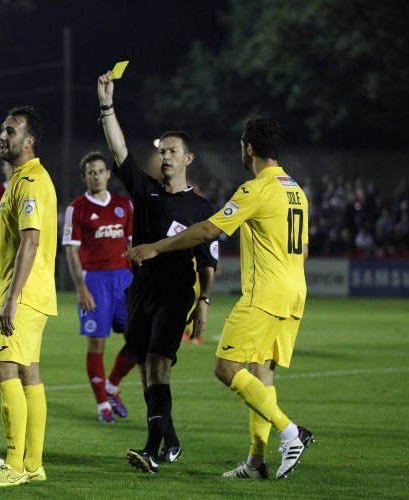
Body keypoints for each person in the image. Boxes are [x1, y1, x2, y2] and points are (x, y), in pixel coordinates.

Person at [124, 116, 313, 480]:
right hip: (294, 292)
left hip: (265, 293)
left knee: (225, 367)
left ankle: (291, 433)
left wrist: (155, 247)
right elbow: (303, 249)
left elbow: (209, 228)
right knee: (261, 373)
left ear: (249, 148)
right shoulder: (296, 190)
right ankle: (257, 461)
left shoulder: (257, 188)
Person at [97, 72, 218, 473]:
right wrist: (107, 105)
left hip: (175, 293)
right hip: (140, 292)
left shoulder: (201, 210)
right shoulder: (144, 189)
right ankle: (171, 441)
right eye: (162, 151)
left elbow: (208, 260)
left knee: (157, 365)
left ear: (188, 159)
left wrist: (203, 302)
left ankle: (150, 451)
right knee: (147, 374)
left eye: (172, 151)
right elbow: (118, 148)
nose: (164, 156)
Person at [0, 106, 57, 487]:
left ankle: (14, 465)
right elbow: (14, 244)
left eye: (10, 131)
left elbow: (31, 241)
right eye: (2, 128)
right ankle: (33, 463)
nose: (2, 135)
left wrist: (11, 299)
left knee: (3, 369)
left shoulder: (29, 183)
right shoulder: (22, 180)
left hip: (24, 297)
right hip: (25, 291)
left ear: (28, 142)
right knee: (29, 373)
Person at [62, 150, 136, 423]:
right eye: (91, 172)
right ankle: (103, 406)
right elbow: (71, 252)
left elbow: (131, 246)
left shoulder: (124, 205)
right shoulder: (76, 208)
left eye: (100, 171)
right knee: (97, 344)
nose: (96, 175)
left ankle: (112, 385)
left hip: (125, 280)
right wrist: (81, 288)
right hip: (94, 281)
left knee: (138, 340)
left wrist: (138, 279)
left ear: (107, 174)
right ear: (85, 177)